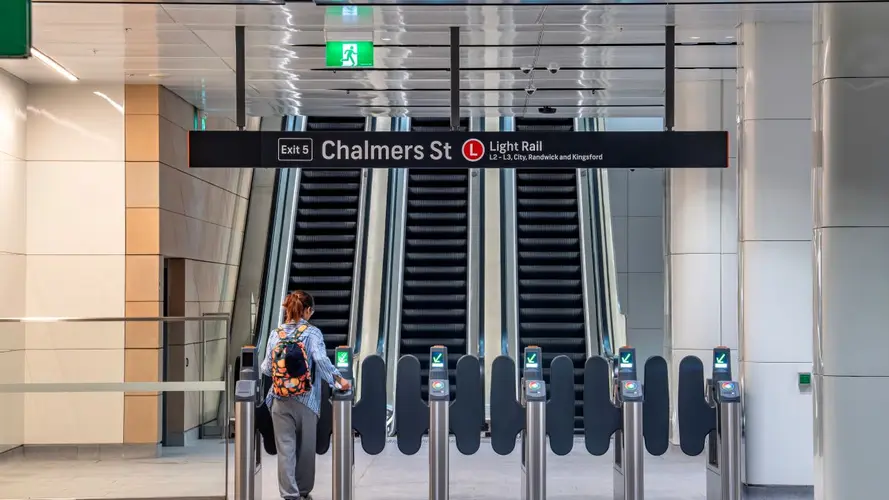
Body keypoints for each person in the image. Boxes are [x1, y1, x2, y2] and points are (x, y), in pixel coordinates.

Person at [261, 290, 352, 500]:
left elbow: (266, 367)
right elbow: (321, 361)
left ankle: (289, 495)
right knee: (306, 450)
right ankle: (303, 492)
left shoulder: (276, 334)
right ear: (308, 310)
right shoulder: (312, 333)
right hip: (306, 400)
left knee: (285, 450)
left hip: (279, 399)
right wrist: (340, 381)